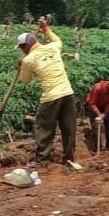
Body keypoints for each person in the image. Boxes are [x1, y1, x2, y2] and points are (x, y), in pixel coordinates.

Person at [19, 16, 77, 168]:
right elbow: (58, 40)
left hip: (50, 97)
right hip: (67, 92)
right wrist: (45, 28)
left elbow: (25, 81)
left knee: (44, 126)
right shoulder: (53, 47)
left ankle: (42, 158)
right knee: (68, 126)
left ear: (23, 48)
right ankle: (69, 157)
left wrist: (21, 66)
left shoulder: (28, 60)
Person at [86, 78, 109, 150]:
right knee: (96, 125)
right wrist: (99, 114)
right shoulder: (98, 88)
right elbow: (92, 103)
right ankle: (97, 145)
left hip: (105, 106)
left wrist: (105, 113)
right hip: (94, 106)